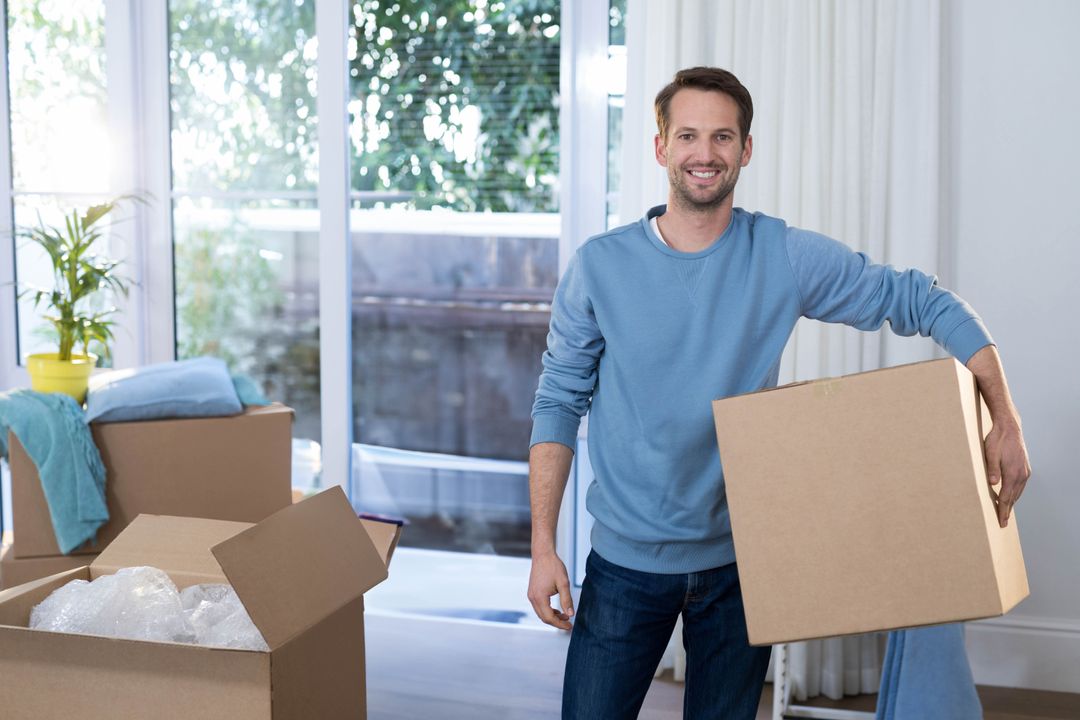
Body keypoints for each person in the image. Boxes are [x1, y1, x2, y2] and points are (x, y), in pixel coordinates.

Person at [526, 66, 1031, 720]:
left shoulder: (781, 255)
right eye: (687, 136)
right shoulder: (600, 265)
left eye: (722, 137)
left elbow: (919, 298)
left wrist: (1005, 414)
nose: (704, 153)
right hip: (625, 563)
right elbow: (558, 402)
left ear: (745, 149)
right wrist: (543, 547)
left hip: (742, 564)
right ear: (660, 148)